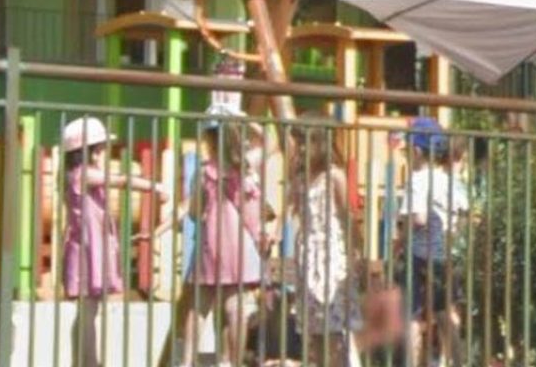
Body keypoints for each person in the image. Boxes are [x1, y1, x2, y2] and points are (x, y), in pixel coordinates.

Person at [166, 105, 270, 367]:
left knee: (199, 306)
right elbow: (267, 141)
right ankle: (232, 361)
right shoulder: (245, 168)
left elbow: (194, 212)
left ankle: (187, 361)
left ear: (209, 138)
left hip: (211, 244)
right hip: (241, 246)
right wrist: (246, 119)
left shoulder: (205, 172)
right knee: (236, 307)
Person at [61, 116, 169, 367]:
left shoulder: (78, 174)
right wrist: (155, 186)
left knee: (90, 310)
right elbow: (123, 180)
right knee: (88, 310)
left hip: (92, 246)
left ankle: (88, 360)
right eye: (99, 149)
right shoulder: (83, 174)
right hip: (88, 249)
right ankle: (88, 362)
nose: (102, 154)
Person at [397, 117, 468, 367]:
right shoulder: (450, 180)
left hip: (419, 256)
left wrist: (400, 238)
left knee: (413, 316)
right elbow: (464, 213)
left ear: (416, 151)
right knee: (446, 312)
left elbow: (418, 218)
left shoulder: (417, 180)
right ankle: (457, 361)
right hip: (446, 257)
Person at [291, 123, 362, 367]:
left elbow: (347, 217)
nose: (301, 148)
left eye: (306, 142)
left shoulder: (334, 176)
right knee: (314, 329)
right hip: (308, 254)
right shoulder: (302, 178)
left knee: (333, 325)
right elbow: (295, 211)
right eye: (299, 143)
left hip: (330, 253)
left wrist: (356, 250)